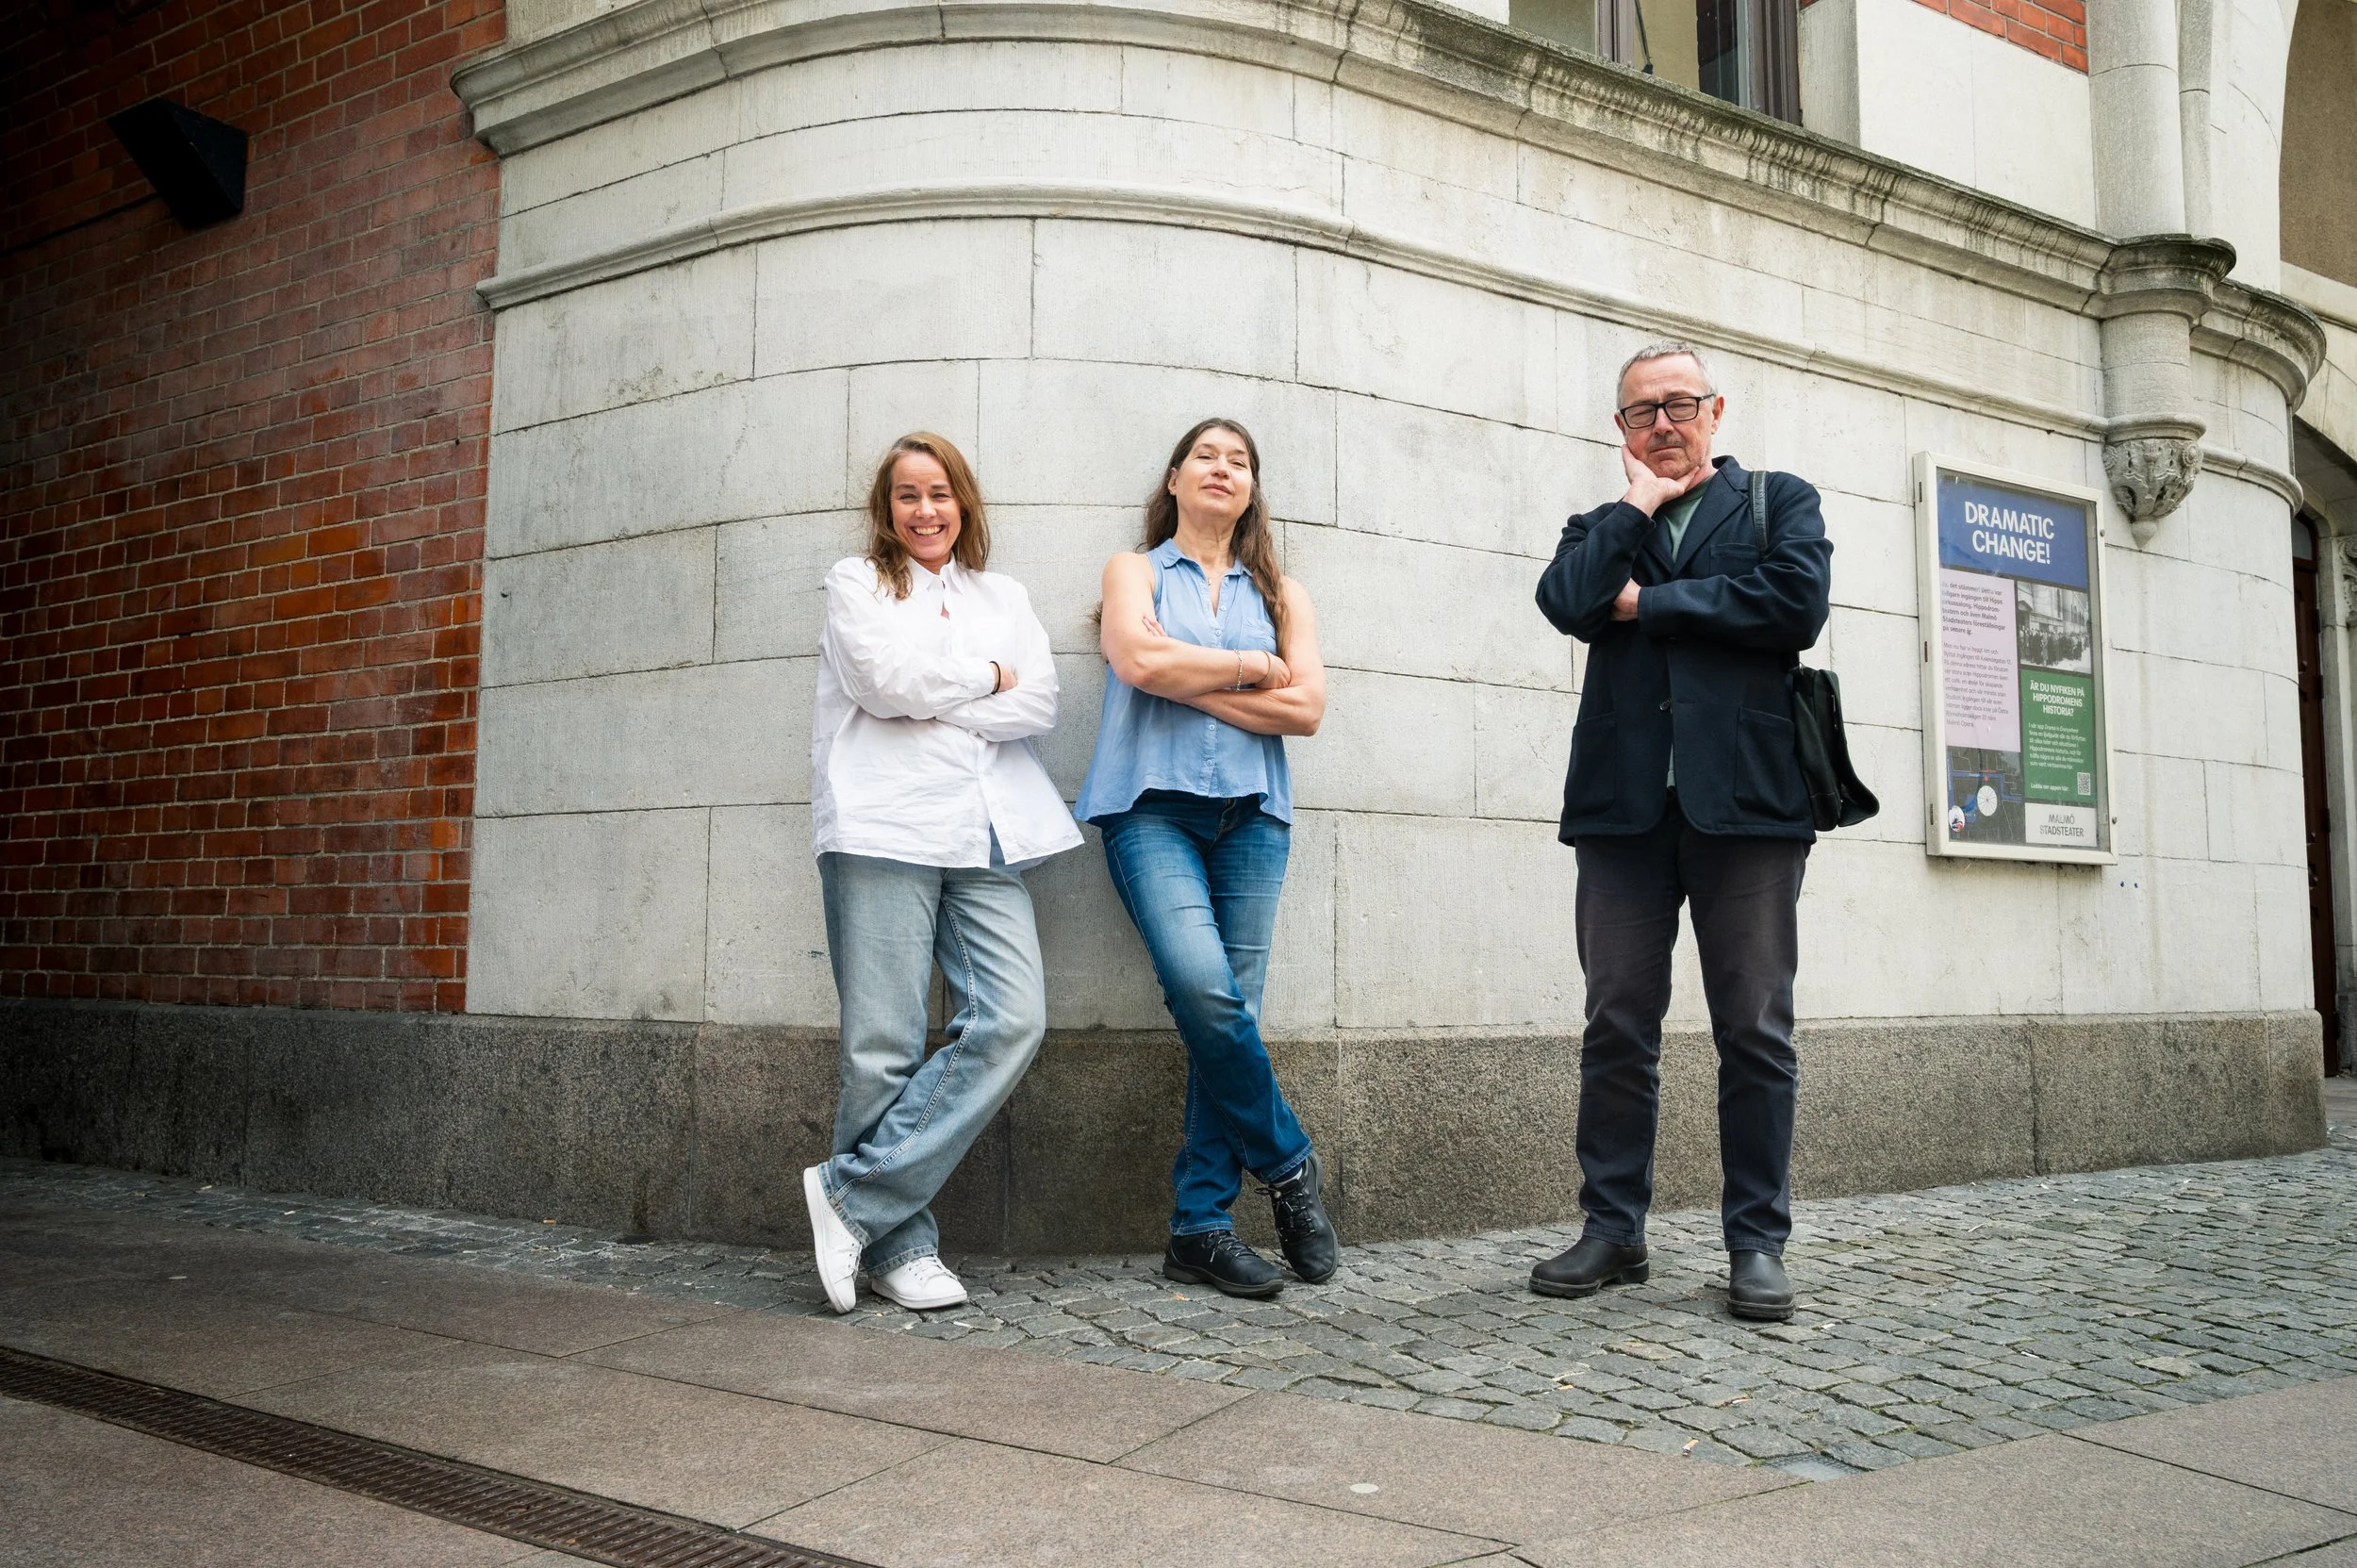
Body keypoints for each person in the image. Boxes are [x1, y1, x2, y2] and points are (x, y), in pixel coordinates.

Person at [1531, 341, 1833, 1323]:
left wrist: (1648, 604)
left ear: (1716, 409)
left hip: (1747, 807)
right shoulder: (1600, 525)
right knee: (1616, 1022)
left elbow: (1794, 603)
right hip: (1622, 813)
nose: (1662, 424)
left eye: (1678, 405)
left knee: (1754, 1027)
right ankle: (1611, 1229)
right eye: (1639, 413)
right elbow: (1566, 601)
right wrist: (1635, 512)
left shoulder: (1777, 502)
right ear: (1619, 430)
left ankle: (1756, 1242)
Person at [803, 432, 1080, 1313]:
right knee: (881, 1047)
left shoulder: (1004, 594)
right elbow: (883, 681)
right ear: (886, 512)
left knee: (1011, 1017)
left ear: (965, 500)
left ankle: (849, 1196)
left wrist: (948, 693)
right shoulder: (857, 583)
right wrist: (985, 680)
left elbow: (1038, 701)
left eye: (940, 493)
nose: (926, 511)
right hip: (884, 823)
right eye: (906, 497)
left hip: (986, 829)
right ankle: (901, 1247)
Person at [1075, 418, 1338, 1299]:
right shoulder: (1134, 570)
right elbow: (1136, 658)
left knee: (1230, 1017)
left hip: (1254, 819)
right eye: (1206, 458)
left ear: (1252, 489)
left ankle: (1199, 1227)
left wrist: (1203, 680)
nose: (1223, 470)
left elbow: (1305, 712)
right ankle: (1290, 1164)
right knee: (1203, 990)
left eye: (1240, 461)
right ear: (1176, 479)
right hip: (1151, 812)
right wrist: (1254, 670)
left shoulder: (1283, 591)